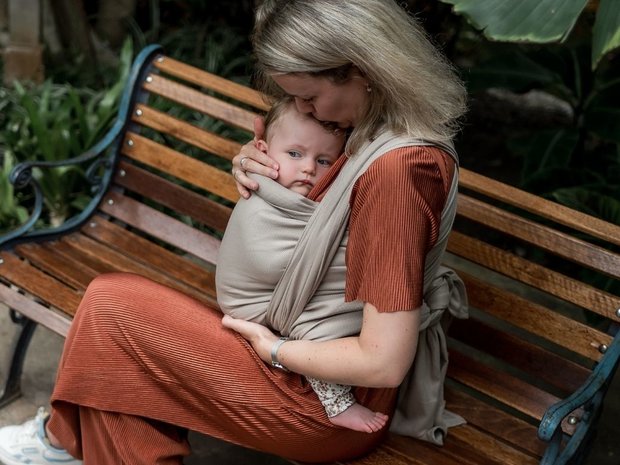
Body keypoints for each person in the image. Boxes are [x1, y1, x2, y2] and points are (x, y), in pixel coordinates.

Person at [0, 1, 468, 464]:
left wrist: (278, 350)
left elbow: (382, 362)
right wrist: (260, 163)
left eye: (309, 98)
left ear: (361, 70)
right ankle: (60, 440)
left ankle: (58, 440)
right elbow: (327, 208)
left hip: (324, 398)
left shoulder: (400, 173)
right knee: (119, 358)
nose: (308, 111)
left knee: (112, 311)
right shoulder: (369, 129)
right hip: (293, 341)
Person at [216, 95, 389, 433]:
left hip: (279, 292)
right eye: (295, 154)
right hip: (252, 299)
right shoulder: (261, 183)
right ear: (263, 151)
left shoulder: (329, 194)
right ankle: (336, 401)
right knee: (318, 325)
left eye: (324, 160)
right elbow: (262, 246)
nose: (309, 168)